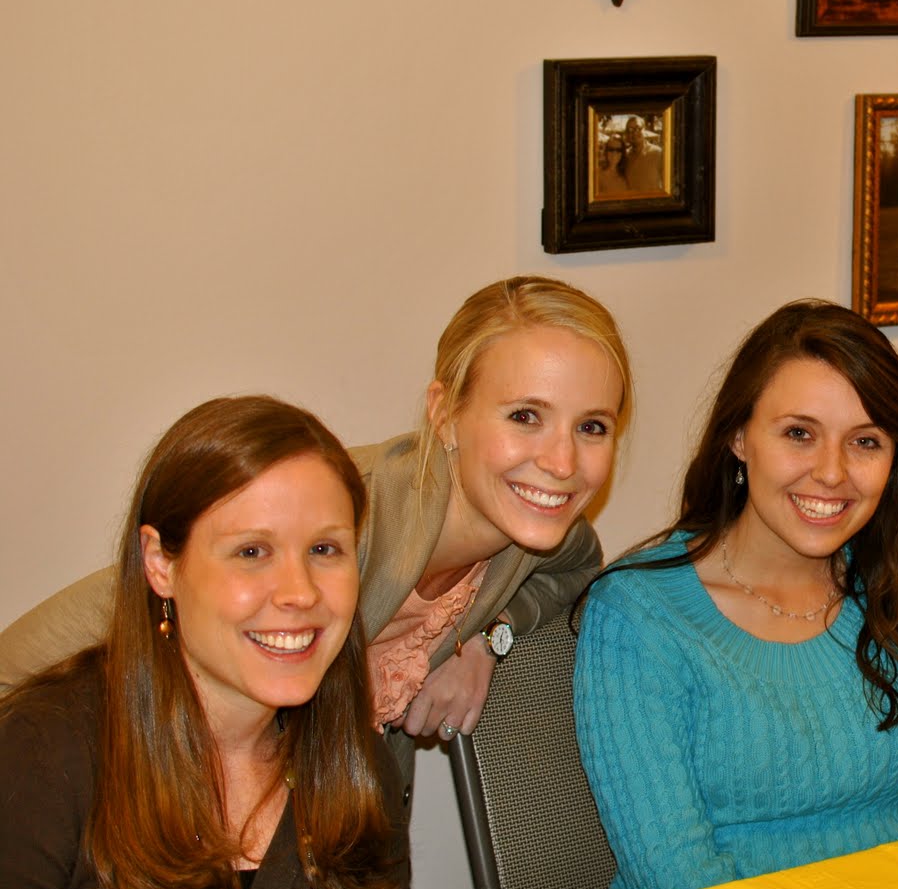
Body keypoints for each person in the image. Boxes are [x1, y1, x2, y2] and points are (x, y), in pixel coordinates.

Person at [0, 275, 632, 819]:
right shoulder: (341, 518)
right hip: (184, 815)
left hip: (332, 831)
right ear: (444, 414)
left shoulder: (538, 533)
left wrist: (488, 640)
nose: (561, 462)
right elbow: (51, 643)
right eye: (524, 416)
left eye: (592, 426)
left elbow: (576, 570)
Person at [573, 300, 898, 889]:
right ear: (738, 437)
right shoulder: (640, 616)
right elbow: (677, 883)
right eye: (799, 434)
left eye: (865, 442)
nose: (832, 473)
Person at [0, 396, 412, 889]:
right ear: (160, 563)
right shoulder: (43, 758)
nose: (300, 592)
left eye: (324, 548)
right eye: (251, 552)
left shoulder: (355, 768)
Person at [622, 115, 664, 194]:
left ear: (644, 130)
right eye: (630, 130)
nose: (634, 133)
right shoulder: (625, 157)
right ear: (627, 134)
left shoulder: (657, 153)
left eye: (638, 128)